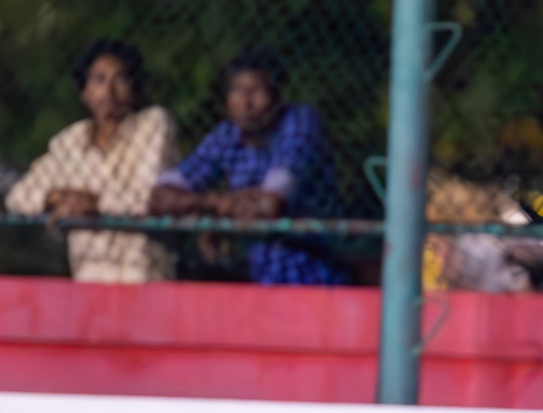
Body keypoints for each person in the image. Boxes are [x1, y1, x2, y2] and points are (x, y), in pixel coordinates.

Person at [148, 48, 348, 285]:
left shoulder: (300, 122)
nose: (245, 103)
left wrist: (219, 213)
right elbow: (159, 199)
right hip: (259, 280)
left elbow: (270, 205)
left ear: (279, 95)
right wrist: (215, 203)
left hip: (314, 279)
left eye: (256, 91)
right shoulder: (227, 135)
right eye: (237, 91)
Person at [4, 38, 177, 282]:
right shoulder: (70, 141)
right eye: (99, 80)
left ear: (134, 87)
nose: (108, 91)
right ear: (85, 92)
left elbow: (147, 197)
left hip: (143, 277)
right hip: (89, 281)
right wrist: (56, 197)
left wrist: (94, 203)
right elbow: (19, 196)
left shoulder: (153, 125)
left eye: (119, 79)